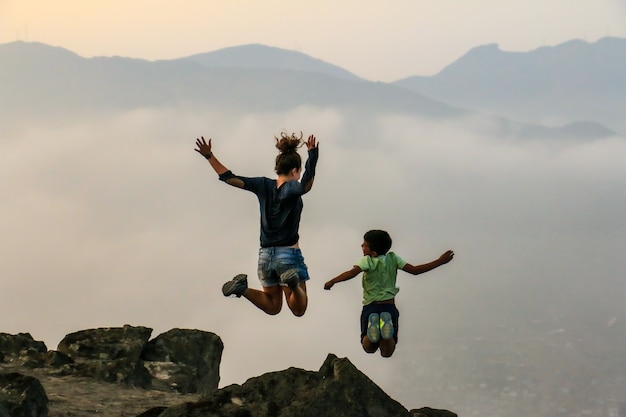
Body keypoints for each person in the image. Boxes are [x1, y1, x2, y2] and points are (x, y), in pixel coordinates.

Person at [195, 132, 319, 317]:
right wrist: (313, 155)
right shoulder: (292, 188)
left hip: (265, 256)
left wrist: (209, 156)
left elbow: (230, 178)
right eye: (299, 172)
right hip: (288, 255)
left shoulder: (262, 185)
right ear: (294, 171)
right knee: (299, 309)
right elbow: (306, 185)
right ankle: (293, 283)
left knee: (273, 306)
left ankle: (242, 289)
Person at [324, 229, 454, 357]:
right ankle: (385, 325)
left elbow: (352, 273)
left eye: (365, 245)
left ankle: (374, 325)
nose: (362, 246)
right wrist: (440, 261)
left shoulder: (367, 260)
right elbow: (415, 270)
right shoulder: (393, 258)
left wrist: (333, 281)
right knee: (387, 351)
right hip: (389, 307)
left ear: (373, 253)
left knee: (368, 347)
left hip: (371, 307)